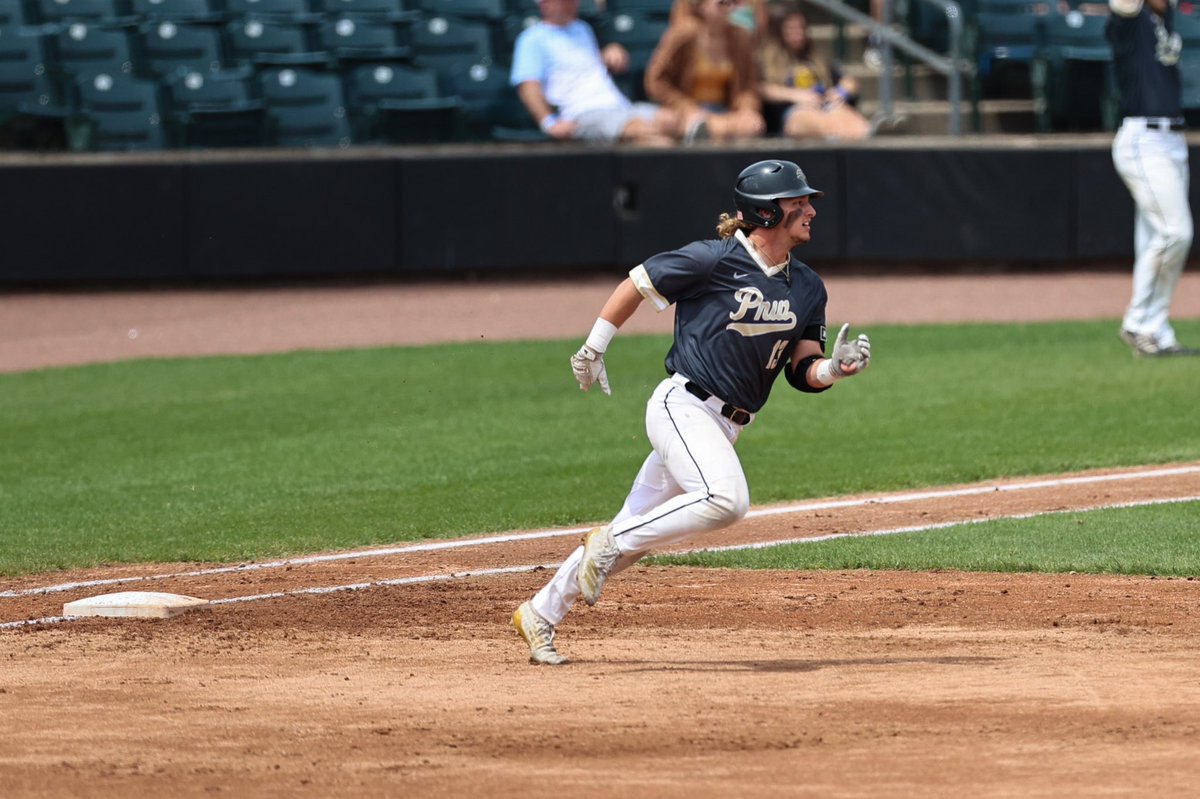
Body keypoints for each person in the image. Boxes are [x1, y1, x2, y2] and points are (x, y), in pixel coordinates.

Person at [512, 159, 874, 665]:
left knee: (637, 530)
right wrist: (594, 348)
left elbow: (802, 371)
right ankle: (609, 541)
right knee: (725, 501)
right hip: (681, 406)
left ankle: (539, 613)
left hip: (726, 425)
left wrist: (835, 369)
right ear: (767, 214)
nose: (811, 209)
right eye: (799, 202)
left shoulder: (808, 287)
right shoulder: (713, 259)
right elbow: (637, 283)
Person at [1107, 0, 1197, 356]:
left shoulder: (1165, 16)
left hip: (1171, 138)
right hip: (1143, 139)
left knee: (1153, 240)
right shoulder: (1131, 19)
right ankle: (1137, 322)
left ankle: (1156, 332)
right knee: (1176, 232)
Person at [510, 0, 684, 145]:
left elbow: (584, 66)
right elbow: (528, 86)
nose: (572, 4)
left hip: (619, 106)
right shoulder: (531, 39)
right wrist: (548, 123)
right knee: (646, 135)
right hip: (581, 113)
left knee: (672, 120)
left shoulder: (583, 29)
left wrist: (609, 53)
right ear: (544, 4)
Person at [645, 0, 767, 143]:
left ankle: (710, 131)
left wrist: (747, 109)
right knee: (666, 122)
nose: (729, 8)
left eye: (732, 3)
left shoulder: (741, 37)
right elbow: (655, 80)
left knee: (753, 124)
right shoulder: (682, 34)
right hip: (686, 110)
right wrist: (685, 107)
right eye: (721, 3)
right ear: (702, 6)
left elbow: (748, 86)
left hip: (726, 112)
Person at [757, 5, 871, 141]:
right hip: (793, 111)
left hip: (824, 105)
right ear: (779, 31)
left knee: (855, 124)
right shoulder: (765, 60)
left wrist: (840, 92)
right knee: (819, 123)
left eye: (800, 28)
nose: (797, 33)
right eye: (791, 29)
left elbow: (850, 81)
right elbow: (759, 89)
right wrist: (796, 95)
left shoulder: (815, 58)